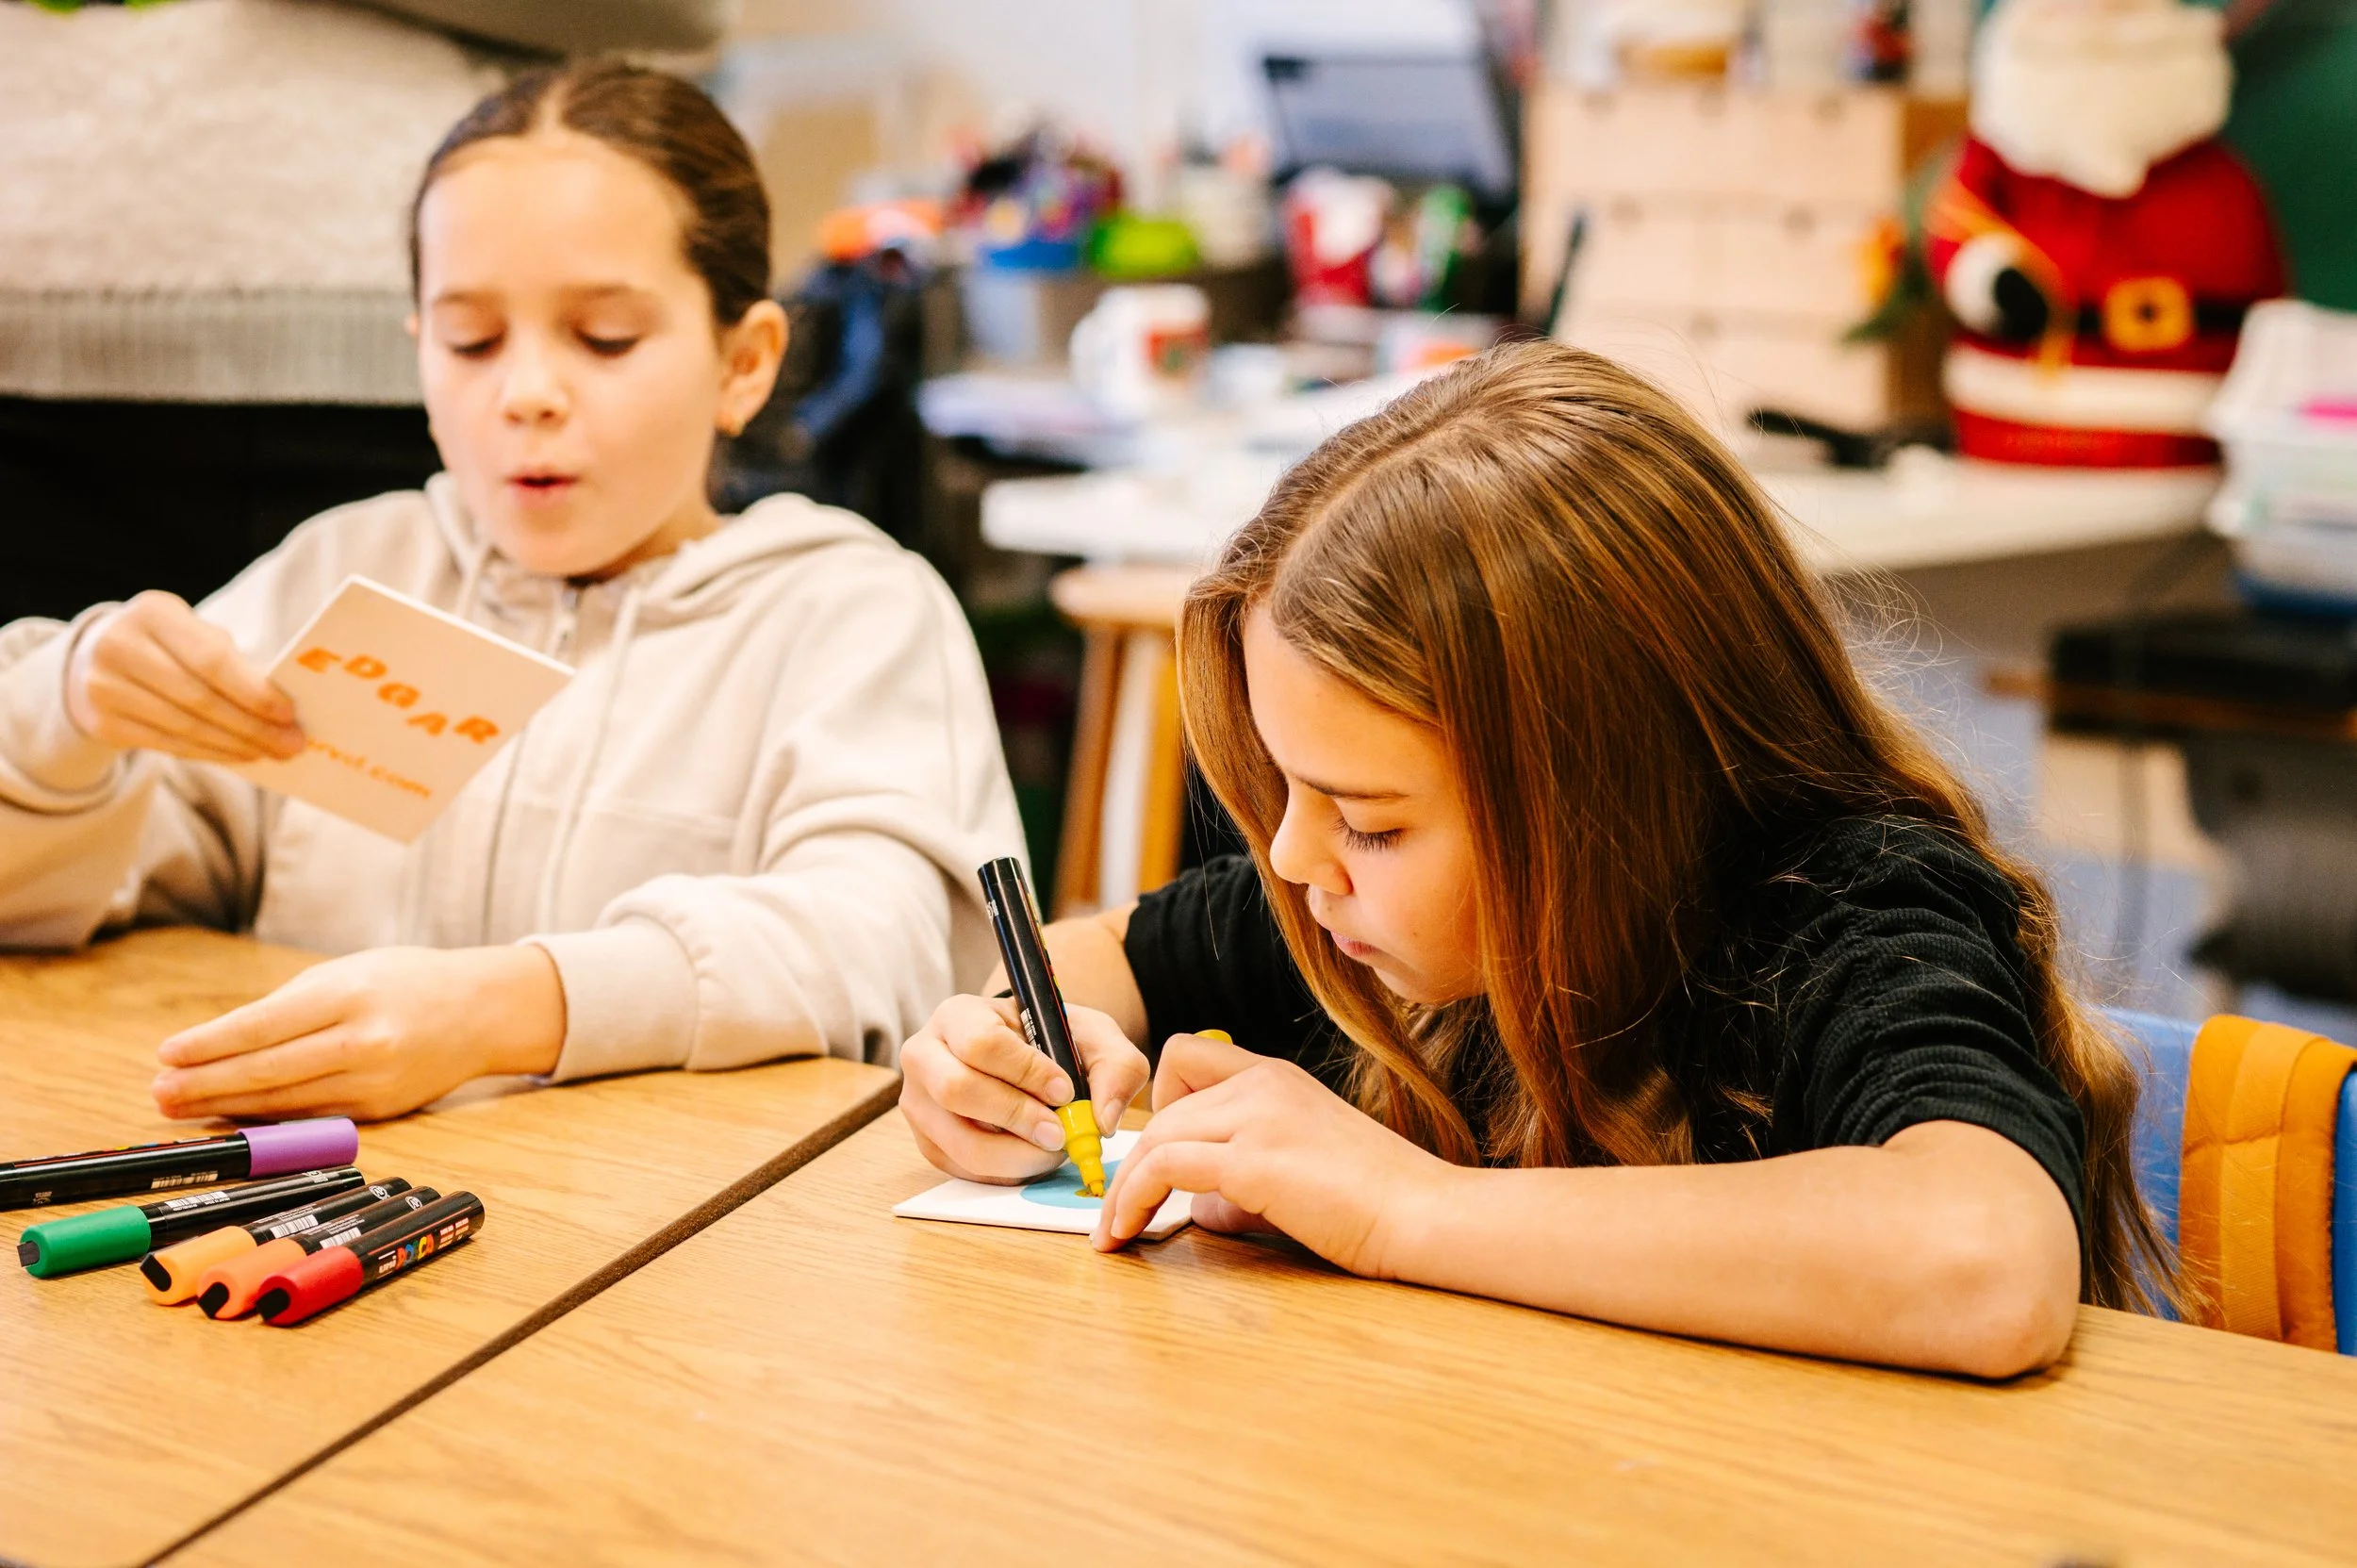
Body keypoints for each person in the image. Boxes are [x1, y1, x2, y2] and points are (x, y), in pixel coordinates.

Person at [898, 341, 2171, 1378]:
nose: (1292, 855)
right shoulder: (1390, 922)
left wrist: (1397, 1205)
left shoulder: (1854, 906)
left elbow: (1984, 1258)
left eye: (1372, 821)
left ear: (1592, 796)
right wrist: (1021, 1046)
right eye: (1288, 790)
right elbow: (1109, 954)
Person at [0, 62, 1024, 1121]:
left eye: (605, 338)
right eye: (471, 341)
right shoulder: (344, 570)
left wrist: (507, 1008)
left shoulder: (849, 613)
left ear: (745, 361)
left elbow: (889, 950)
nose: (526, 393)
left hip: (679, 1233)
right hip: (334, 1211)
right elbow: (80, 892)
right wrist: (60, 723)